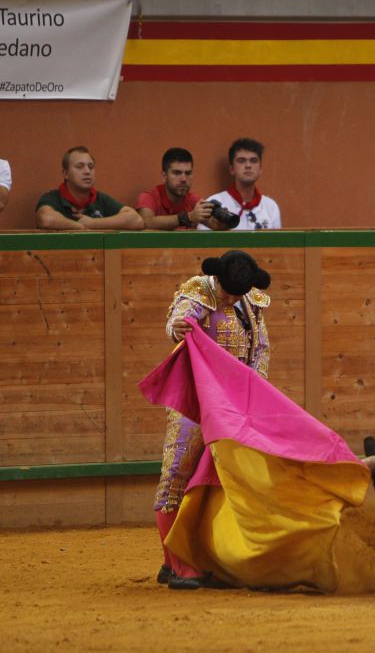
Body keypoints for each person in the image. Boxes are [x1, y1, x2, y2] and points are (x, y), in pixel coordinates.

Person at [153, 250, 272, 590]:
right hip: (194, 399)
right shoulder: (198, 289)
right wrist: (174, 329)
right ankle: (174, 564)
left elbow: (260, 348)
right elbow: (178, 322)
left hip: (232, 404)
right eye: (229, 292)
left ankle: (213, 559)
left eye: (239, 294)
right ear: (217, 278)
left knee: (226, 479)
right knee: (177, 473)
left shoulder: (251, 301)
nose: (232, 298)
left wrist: (253, 390)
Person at [35, 146, 143, 231]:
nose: (87, 171)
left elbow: (136, 220)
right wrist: (79, 227)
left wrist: (93, 223)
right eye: (79, 166)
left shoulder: (101, 199)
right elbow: (46, 219)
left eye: (91, 166)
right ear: (65, 173)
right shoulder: (53, 198)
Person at [199, 138, 282, 231]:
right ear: (231, 169)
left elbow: (277, 244)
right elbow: (205, 243)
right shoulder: (215, 204)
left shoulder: (270, 207)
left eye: (254, 160)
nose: (248, 165)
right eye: (241, 160)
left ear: (260, 169)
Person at [136, 147, 213, 230]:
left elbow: (214, 224)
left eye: (188, 173)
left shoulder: (194, 200)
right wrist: (188, 217)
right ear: (164, 176)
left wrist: (223, 221)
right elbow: (145, 223)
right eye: (177, 173)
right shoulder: (149, 197)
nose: (183, 179)